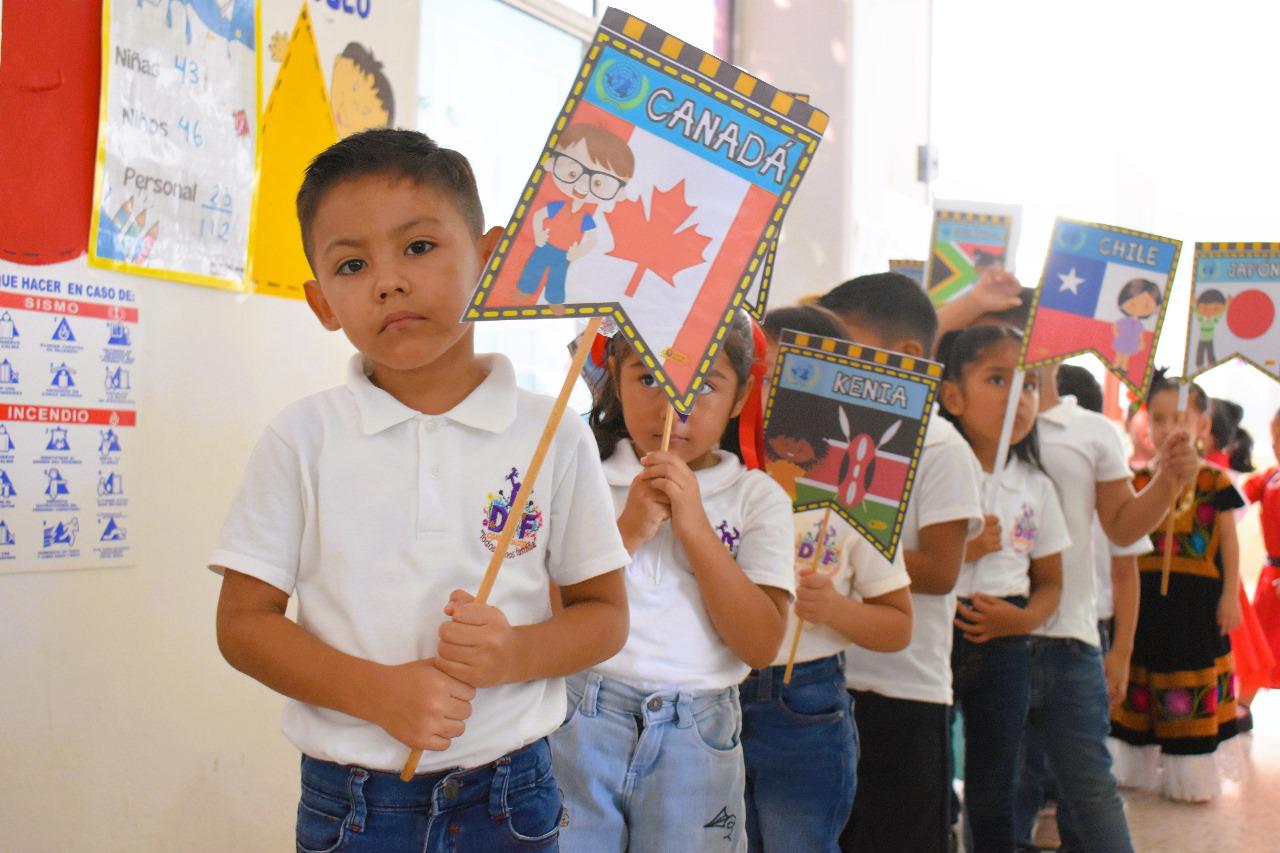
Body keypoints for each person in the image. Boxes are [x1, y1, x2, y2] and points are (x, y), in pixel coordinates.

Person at [211, 129, 632, 852]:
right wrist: (373, 691)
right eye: (351, 263)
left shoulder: (553, 434)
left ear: (492, 256)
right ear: (322, 302)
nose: (388, 281)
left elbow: (605, 616)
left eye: (419, 247)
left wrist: (514, 654)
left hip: (513, 795)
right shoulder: (301, 438)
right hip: (352, 800)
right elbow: (244, 625)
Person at [551, 311, 795, 853]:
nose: (673, 406)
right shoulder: (580, 472)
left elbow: (760, 644)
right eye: (647, 379)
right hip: (581, 715)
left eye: (705, 385)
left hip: (697, 729)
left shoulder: (759, 498)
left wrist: (695, 527)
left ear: (740, 397)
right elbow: (548, 614)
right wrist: (627, 533)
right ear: (614, 378)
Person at [820, 274, 984, 853]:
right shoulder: (828, 433)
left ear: (907, 356)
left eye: (844, 344)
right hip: (829, 681)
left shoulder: (941, 448)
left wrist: (848, 560)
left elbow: (941, 570)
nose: (829, 360)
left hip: (906, 692)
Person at [742, 304, 913, 853]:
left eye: (792, 381)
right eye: (758, 375)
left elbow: (897, 625)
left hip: (805, 701)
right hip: (708, 691)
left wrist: (836, 609)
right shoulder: (720, 478)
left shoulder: (851, 502)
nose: (768, 395)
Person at [1013, 353, 1198, 852]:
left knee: (1089, 790)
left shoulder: (1092, 431)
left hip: (1073, 637)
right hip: (999, 638)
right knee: (1007, 791)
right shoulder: (988, 422)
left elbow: (1122, 532)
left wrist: (1167, 481)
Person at [933, 326, 1067, 852]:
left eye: (1029, 384)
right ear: (952, 396)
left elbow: (1052, 583)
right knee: (931, 774)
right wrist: (961, 552)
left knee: (997, 780)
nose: (1020, 397)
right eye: (998, 379)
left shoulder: (1037, 485)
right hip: (936, 629)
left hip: (1007, 641)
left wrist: (1023, 619)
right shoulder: (934, 469)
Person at [1110, 373, 1244, 802]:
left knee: (1187, 680)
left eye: (1181, 419)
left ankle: (1190, 774)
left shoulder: (1214, 483)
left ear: (1203, 425)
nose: (1170, 428)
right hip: (1144, 601)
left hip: (1196, 606)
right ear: (1147, 424)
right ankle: (1132, 765)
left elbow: (1229, 544)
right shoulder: (1134, 482)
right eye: (1161, 418)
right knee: (1142, 678)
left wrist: (1228, 597)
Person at [517, 124, 635, 305]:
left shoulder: (586, 218)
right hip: (545, 245)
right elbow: (539, 216)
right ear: (551, 163)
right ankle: (524, 291)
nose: (581, 184)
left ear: (618, 193)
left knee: (558, 276)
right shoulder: (557, 206)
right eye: (573, 172)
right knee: (534, 268)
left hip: (565, 253)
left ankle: (554, 300)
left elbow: (592, 239)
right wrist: (539, 234)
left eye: (597, 183)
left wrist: (579, 251)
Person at [1242, 408, 1280, 707]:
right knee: (1261, 644)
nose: (1276, 446)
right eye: (1275, 439)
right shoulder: (1269, 478)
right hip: (1272, 577)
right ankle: (1243, 704)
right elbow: (1236, 497)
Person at [1110, 279, 1162, 377]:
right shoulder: (1124, 321)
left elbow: (1140, 334)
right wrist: (1116, 335)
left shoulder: (1139, 324)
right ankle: (1117, 364)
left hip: (1131, 341)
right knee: (1120, 353)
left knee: (1126, 354)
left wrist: (1141, 342)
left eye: (1146, 306)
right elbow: (1115, 326)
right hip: (1122, 339)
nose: (1138, 307)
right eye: (1132, 303)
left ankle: (1124, 366)